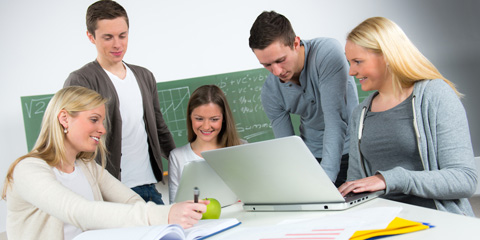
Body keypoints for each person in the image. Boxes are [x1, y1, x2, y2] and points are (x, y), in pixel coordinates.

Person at [1, 86, 207, 240]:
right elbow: (79, 211)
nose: (103, 129)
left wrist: (157, 224)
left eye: (102, 121)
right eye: (94, 119)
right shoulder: (28, 170)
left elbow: (131, 201)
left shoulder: (87, 167)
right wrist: (165, 214)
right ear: (64, 118)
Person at [339, 17, 478, 216]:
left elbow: (464, 179)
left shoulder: (435, 95)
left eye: (358, 61)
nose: (352, 71)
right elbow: (356, 182)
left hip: (437, 221)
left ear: (386, 55)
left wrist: (390, 179)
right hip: (381, 223)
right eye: (349, 62)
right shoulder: (360, 114)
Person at [64, 0, 175, 204]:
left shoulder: (144, 76)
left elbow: (159, 127)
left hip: (149, 185)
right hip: (109, 191)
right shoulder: (81, 80)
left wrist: (180, 161)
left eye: (122, 35)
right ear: (91, 37)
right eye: (108, 37)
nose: (117, 44)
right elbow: (71, 138)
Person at [249, 11, 359, 187]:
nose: (277, 72)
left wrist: (325, 181)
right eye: (267, 65)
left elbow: (335, 121)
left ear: (295, 43)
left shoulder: (327, 53)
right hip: (313, 158)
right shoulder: (270, 91)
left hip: (355, 153)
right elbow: (288, 146)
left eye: (281, 60)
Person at [168, 85, 244, 204]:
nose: (206, 126)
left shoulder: (241, 148)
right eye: (199, 119)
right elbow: (175, 206)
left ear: (223, 118)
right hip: (199, 222)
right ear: (190, 117)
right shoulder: (178, 157)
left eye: (214, 119)